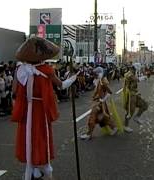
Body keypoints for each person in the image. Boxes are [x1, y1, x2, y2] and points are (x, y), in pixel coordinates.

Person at [12, 37, 77, 180]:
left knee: (28, 137)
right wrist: (72, 79)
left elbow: (15, 92)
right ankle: (45, 169)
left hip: (27, 109)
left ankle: (32, 169)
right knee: (41, 136)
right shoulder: (46, 70)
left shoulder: (20, 70)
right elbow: (61, 85)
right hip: (40, 110)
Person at [80, 67, 118, 140]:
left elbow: (110, 92)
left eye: (95, 74)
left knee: (92, 117)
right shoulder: (99, 80)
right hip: (98, 102)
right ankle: (114, 127)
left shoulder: (103, 81)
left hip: (99, 103)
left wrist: (103, 100)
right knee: (101, 118)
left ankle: (89, 134)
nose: (94, 76)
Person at [122, 65, 148, 133]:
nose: (136, 71)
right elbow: (133, 78)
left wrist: (141, 78)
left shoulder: (132, 73)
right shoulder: (129, 74)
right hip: (130, 95)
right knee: (130, 111)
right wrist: (141, 78)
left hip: (135, 94)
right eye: (136, 70)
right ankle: (125, 126)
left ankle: (137, 117)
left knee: (144, 105)